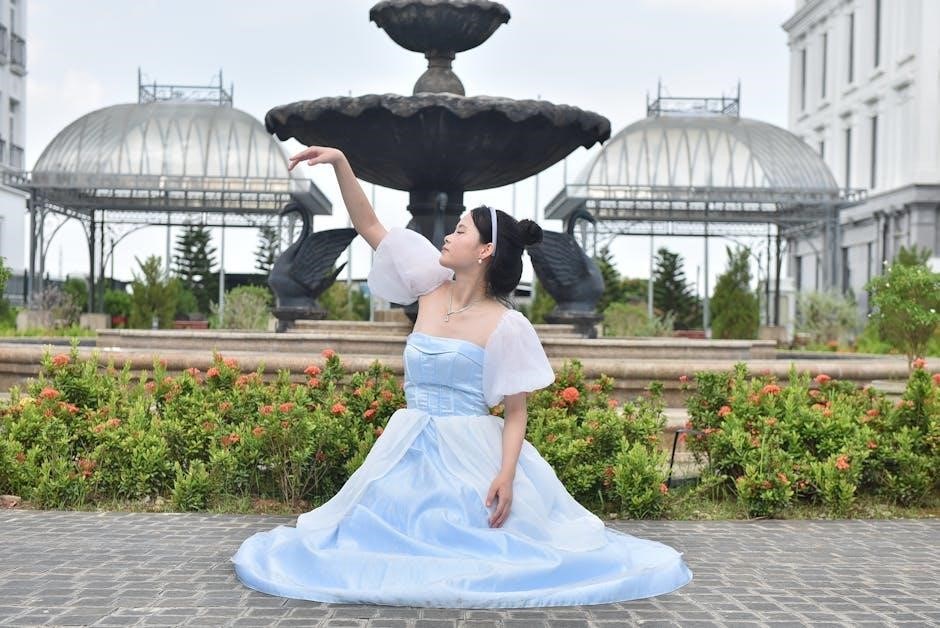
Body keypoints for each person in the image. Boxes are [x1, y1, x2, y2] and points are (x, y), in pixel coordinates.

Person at [232, 146, 692, 608]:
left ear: (485, 250)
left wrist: (506, 475)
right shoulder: (428, 286)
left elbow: (515, 413)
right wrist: (341, 163)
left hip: (471, 450)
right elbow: (369, 225)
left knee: (486, 549)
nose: (448, 237)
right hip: (408, 442)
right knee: (365, 540)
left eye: (461, 230)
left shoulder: (507, 325)